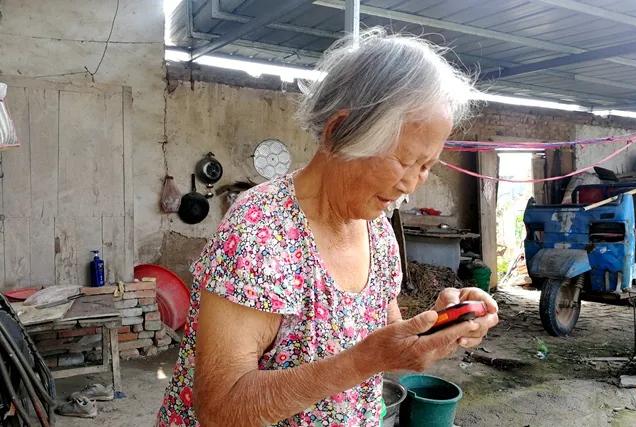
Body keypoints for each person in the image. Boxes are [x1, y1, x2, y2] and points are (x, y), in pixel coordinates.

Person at [157, 28, 499, 427]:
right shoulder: (259, 231)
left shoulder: (377, 232)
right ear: (340, 132)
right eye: (406, 161)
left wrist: (436, 326)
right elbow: (222, 408)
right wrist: (364, 361)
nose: (414, 182)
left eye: (427, 167)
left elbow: (383, 337)